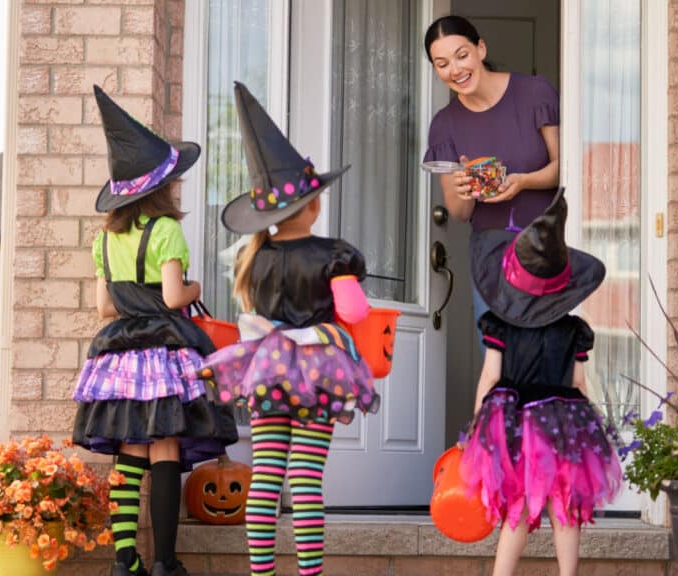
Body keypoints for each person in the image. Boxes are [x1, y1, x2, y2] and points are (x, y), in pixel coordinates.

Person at [196, 82, 380, 576]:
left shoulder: (250, 258)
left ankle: (261, 573)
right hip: (318, 371)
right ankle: (309, 574)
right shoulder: (333, 254)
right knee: (304, 478)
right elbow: (356, 313)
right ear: (314, 205)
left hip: (267, 369)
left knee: (265, 477)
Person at [71, 86, 239, 576]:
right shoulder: (165, 230)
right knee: (165, 446)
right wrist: (194, 288)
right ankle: (165, 561)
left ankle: (125, 561)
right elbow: (171, 298)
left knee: (129, 451)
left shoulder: (104, 239)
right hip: (163, 350)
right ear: (160, 187)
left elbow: (104, 306)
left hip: (119, 354)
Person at [461, 188, 621, 576]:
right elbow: (579, 384)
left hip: (513, 421)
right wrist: (589, 425)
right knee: (565, 506)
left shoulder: (498, 325)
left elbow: (491, 375)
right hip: (564, 423)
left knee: (516, 507)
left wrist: (478, 428)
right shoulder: (574, 330)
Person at [423, 14, 560, 334]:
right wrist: (463, 189)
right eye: (442, 64)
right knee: (499, 360)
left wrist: (523, 181)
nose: (455, 70)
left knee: (547, 352)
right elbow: (459, 213)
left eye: (461, 55)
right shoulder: (444, 125)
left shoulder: (534, 93)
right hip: (491, 253)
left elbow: (562, 169)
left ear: (480, 49)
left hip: (545, 242)